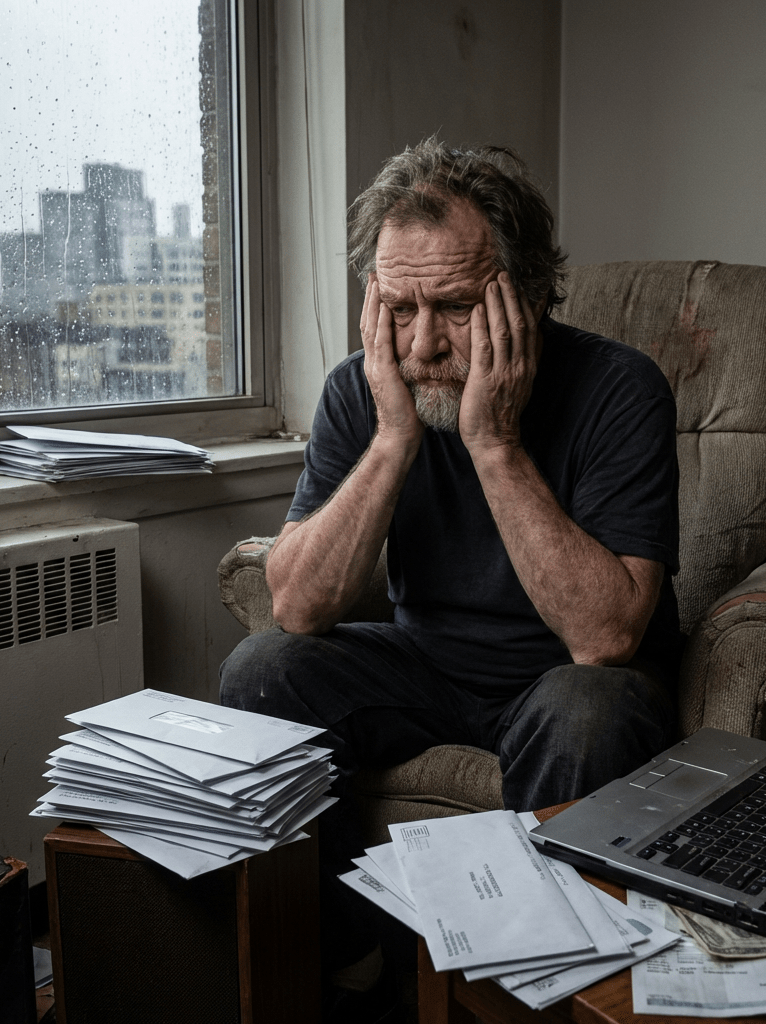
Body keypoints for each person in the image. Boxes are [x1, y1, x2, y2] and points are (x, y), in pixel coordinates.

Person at [220, 138, 681, 1021]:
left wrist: (494, 442)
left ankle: (536, 991)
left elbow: (607, 636)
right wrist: (393, 438)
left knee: (588, 703)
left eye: (457, 307)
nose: (423, 341)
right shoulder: (366, 389)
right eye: (398, 307)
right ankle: (350, 946)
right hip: (427, 666)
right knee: (261, 670)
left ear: (529, 293)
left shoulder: (621, 388)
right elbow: (297, 604)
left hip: (570, 682)